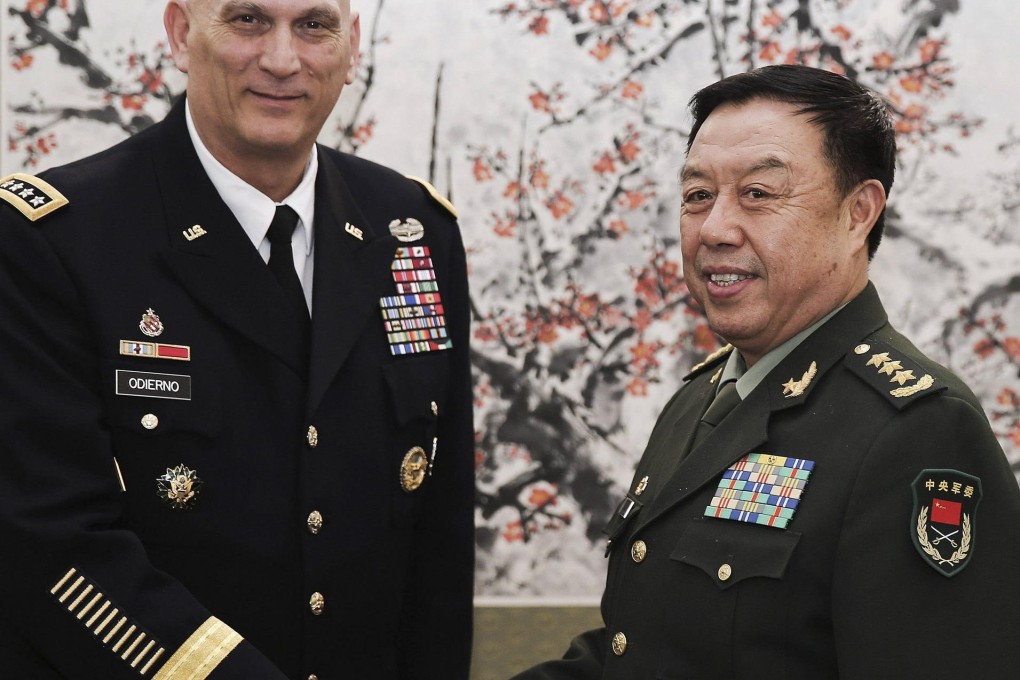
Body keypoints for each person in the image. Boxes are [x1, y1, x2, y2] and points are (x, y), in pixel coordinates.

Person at [0, 1, 474, 678]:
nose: (283, 60)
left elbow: (439, 543)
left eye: (313, 25)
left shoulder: (411, 229)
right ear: (180, 33)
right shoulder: (53, 242)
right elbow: (50, 544)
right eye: (248, 19)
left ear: (351, 46)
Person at [510, 64, 1020, 679]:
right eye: (698, 196)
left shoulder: (917, 430)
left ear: (857, 214)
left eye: (758, 193)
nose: (715, 229)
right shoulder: (702, 397)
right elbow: (643, 648)